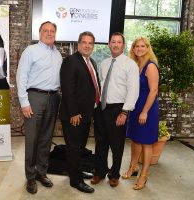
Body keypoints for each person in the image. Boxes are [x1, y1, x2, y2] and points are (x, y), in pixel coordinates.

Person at [16, 21, 62, 194]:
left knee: (46, 139)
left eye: (52, 31)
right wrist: (24, 102)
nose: (49, 33)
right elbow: (21, 77)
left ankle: (41, 173)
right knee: (32, 140)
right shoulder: (31, 51)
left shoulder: (57, 54)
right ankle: (30, 177)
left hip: (53, 98)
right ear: (40, 32)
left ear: (55, 34)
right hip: (34, 97)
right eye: (46, 31)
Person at [91, 32, 139, 187]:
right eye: (113, 42)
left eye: (119, 42)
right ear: (109, 44)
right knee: (100, 143)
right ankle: (99, 171)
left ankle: (114, 174)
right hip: (101, 109)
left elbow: (133, 90)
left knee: (116, 145)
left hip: (118, 109)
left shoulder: (130, 65)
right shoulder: (103, 63)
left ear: (123, 46)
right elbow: (100, 86)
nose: (116, 44)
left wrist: (125, 112)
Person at [59, 31, 99, 193]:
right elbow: (68, 90)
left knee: (80, 147)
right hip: (74, 115)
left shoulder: (92, 62)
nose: (87, 46)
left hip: (86, 114)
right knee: (74, 147)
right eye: (84, 42)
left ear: (93, 46)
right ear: (78, 44)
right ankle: (76, 181)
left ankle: (76, 171)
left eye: (90, 43)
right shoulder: (70, 61)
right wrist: (74, 113)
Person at [122, 36, 160, 190]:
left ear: (148, 48)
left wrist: (144, 111)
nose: (139, 48)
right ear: (133, 49)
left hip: (147, 109)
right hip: (135, 107)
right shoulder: (135, 64)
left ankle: (143, 176)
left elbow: (154, 91)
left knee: (146, 142)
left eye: (143, 46)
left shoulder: (150, 66)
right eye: (136, 46)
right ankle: (133, 167)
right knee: (135, 140)